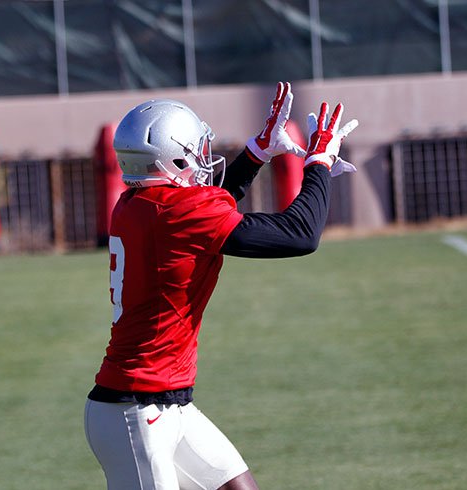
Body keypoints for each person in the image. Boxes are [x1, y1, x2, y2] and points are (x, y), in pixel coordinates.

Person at [84, 82, 358, 490]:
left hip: (163, 402)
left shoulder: (139, 204)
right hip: (134, 411)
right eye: (193, 150)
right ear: (171, 157)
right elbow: (299, 234)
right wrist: (318, 162)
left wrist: (257, 153)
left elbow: (210, 208)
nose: (201, 159)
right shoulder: (176, 211)